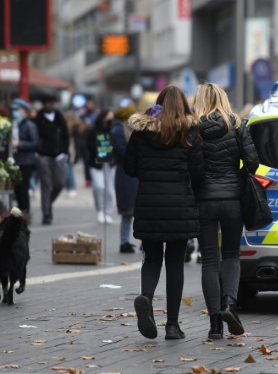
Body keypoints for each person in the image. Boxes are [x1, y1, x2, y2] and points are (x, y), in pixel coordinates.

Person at [123, 86, 203, 340]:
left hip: (149, 205)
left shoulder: (141, 132)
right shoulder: (189, 133)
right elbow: (198, 173)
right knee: (175, 263)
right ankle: (172, 325)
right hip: (179, 206)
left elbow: (129, 167)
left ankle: (146, 298)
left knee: (152, 258)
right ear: (183, 106)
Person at [194, 83, 260, 340]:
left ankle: (214, 324)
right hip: (233, 200)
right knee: (231, 255)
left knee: (209, 261)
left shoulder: (194, 129)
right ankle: (230, 306)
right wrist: (236, 176)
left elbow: (191, 167)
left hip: (204, 202)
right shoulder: (237, 125)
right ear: (224, 99)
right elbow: (253, 163)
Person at [34, 96, 70, 225]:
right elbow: (35, 137)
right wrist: (38, 152)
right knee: (45, 186)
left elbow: (66, 136)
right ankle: (47, 214)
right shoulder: (38, 119)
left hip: (59, 156)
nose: (50, 105)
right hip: (44, 156)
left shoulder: (59, 117)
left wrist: (65, 153)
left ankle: (47, 203)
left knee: (60, 183)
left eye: (52, 103)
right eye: (48, 103)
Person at [111, 104, 138, 253]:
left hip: (135, 174)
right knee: (128, 210)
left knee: (139, 211)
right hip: (125, 174)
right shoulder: (117, 131)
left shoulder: (134, 130)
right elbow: (122, 151)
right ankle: (124, 241)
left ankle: (142, 241)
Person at [11, 98, 40, 224]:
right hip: (15, 161)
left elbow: (35, 143)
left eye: (17, 110)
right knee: (17, 190)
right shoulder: (13, 124)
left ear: (24, 111)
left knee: (24, 190)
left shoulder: (30, 125)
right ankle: (19, 215)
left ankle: (25, 215)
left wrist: (20, 144)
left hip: (26, 162)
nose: (15, 112)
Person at [87, 109, 116, 225]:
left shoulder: (113, 130)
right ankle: (100, 210)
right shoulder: (93, 131)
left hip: (110, 164)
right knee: (99, 187)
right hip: (96, 163)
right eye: (109, 116)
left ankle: (108, 212)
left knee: (109, 190)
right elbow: (89, 146)